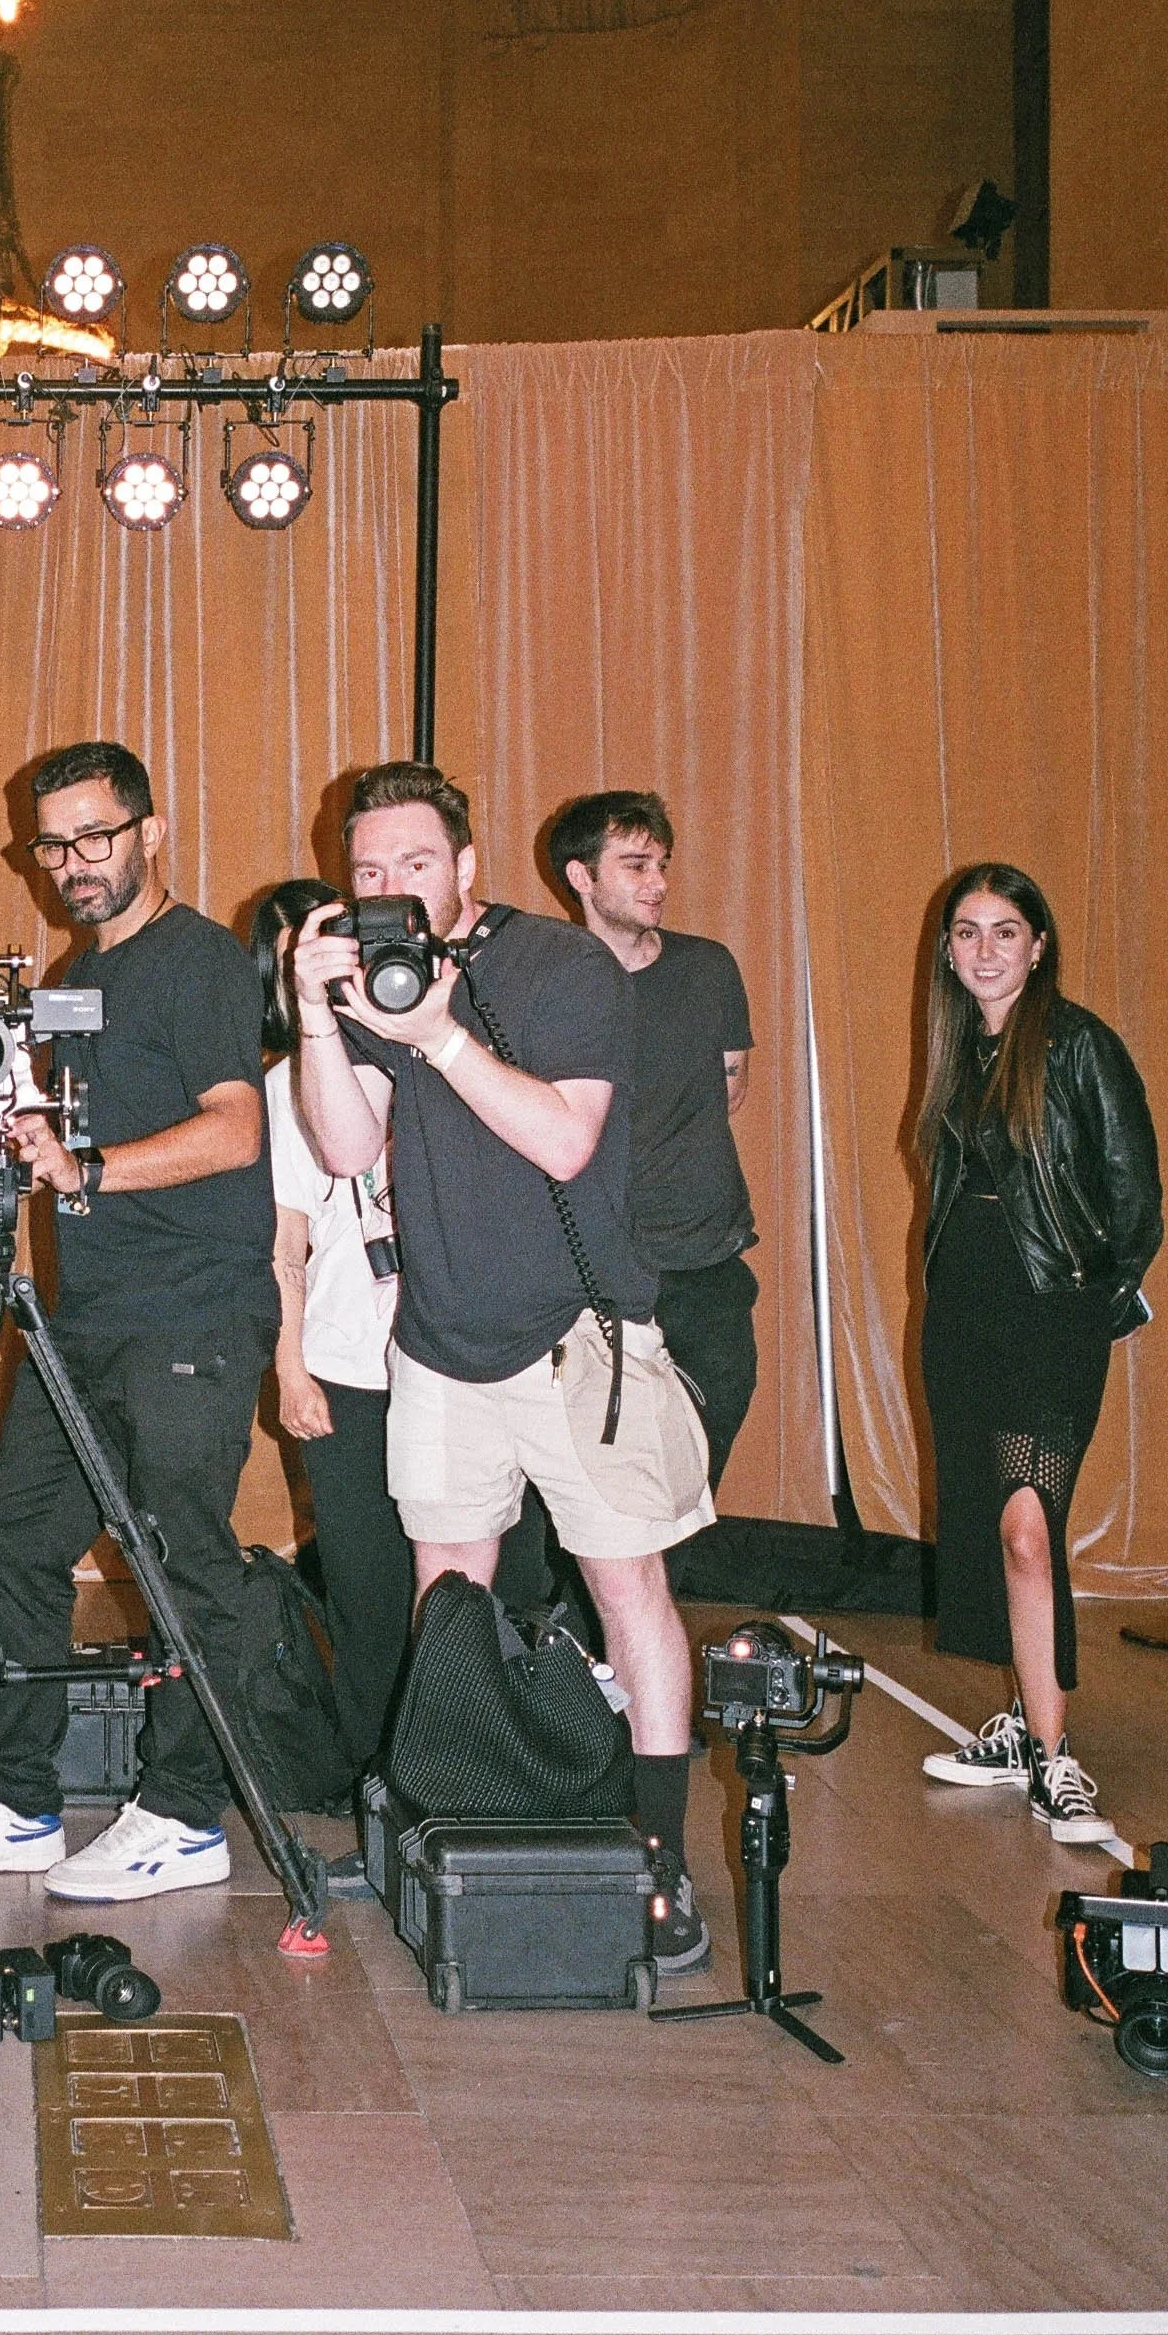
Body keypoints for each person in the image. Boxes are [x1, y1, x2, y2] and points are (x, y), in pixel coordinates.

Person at [291, 759, 715, 1968]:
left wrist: (440, 1036)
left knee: (628, 1587)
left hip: (581, 1337)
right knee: (451, 1598)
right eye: (367, 871)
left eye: (414, 865)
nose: (391, 889)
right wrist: (323, 1015)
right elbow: (342, 1140)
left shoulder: (558, 967)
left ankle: (660, 1857)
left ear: (466, 866)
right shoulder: (383, 978)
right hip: (442, 1336)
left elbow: (568, 1140)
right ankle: (447, 1830)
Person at [0, 741, 276, 1904]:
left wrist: (86, 1168)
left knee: (182, 1564)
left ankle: (182, 1813)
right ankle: (17, 1799)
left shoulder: (201, 962)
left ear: (153, 833)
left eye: (94, 837)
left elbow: (235, 1128)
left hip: (189, 1315)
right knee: (9, 1538)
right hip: (80, 1317)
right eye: (52, 844)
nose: (72, 863)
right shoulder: (79, 973)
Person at [913, 863, 1162, 1845]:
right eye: (967, 931)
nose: (984, 949)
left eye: (1004, 931)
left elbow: (1134, 1196)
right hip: (964, 1312)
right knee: (987, 1523)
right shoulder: (958, 1048)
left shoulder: (1079, 1043)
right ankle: (1020, 1728)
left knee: (1028, 1526)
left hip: (1048, 1315)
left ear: (1038, 943)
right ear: (949, 950)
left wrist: (1089, 1309)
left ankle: (1058, 1762)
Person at [550, 790, 758, 1493]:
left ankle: (654, 1598)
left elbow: (731, 1084)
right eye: (636, 864)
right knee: (602, 1478)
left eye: (662, 864)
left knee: (695, 1472)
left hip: (708, 1267)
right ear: (581, 876)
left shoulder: (708, 968)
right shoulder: (547, 983)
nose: (659, 882)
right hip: (597, 1275)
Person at [254, 879, 411, 1777]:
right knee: (364, 1588)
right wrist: (293, 1366)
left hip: (458, 1365)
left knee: (490, 1580)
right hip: (349, 1362)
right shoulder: (287, 1084)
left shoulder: (427, 1047)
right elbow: (287, 1238)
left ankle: (480, 1764)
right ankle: (370, 1770)